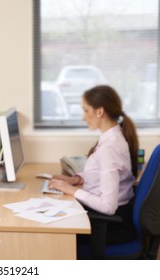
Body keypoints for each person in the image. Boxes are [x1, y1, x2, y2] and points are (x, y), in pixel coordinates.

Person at [49, 85, 138, 259]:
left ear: (99, 112)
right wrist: (76, 179)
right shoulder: (113, 137)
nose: (83, 117)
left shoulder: (110, 147)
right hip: (112, 218)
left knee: (53, 231)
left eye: (85, 110)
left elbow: (108, 206)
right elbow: (102, 173)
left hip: (109, 226)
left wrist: (72, 191)